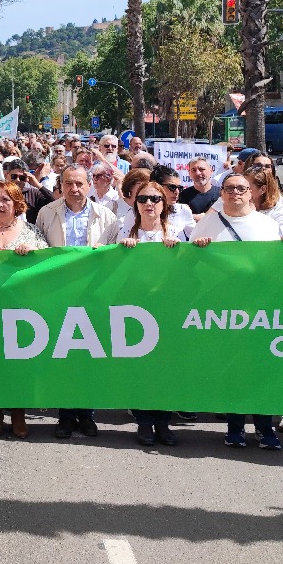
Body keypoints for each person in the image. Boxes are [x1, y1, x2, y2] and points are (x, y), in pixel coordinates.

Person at [193, 172, 283, 451]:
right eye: (229, 188)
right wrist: (198, 250)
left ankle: (264, 428)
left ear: (251, 192)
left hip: (261, 309)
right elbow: (191, 268)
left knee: (262, 369)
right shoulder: (207, 224)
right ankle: (234, 428)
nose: (235, 193)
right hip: (223, 310)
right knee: (233, 369)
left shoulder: (267, 225)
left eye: (242, 188)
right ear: (221, 193)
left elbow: (280, 268)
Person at [36, 166, 119, 439]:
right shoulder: (47, 214)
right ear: (61, 185)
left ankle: (87, 415)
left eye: (80, 184)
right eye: (69, 183)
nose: (74, 189)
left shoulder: (106, 216)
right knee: (62, 357)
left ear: (89, 185)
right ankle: (65, 416)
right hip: (58, 293)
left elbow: (115, 258)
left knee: (89, 357)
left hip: (93, 294)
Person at [0, 180, 47, 440]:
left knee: (18, 363)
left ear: (17, 204)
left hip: (21, 307)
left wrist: (34, 252)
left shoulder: (32, 231)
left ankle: (18, 412)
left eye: (6, 200)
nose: (1, 205)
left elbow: (47, 264)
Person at [117, 180, 181, 447]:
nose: (149, 204)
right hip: (135, 310)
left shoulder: (178, 230)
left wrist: (180, 249)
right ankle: (144, 421)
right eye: (143, 199)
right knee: (140, 367)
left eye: (155, 199)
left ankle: (163, 422)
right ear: (135, 204)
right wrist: (121, 249)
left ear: (163, 203)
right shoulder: (124, 229)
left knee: (166, 368)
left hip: (168, 309)